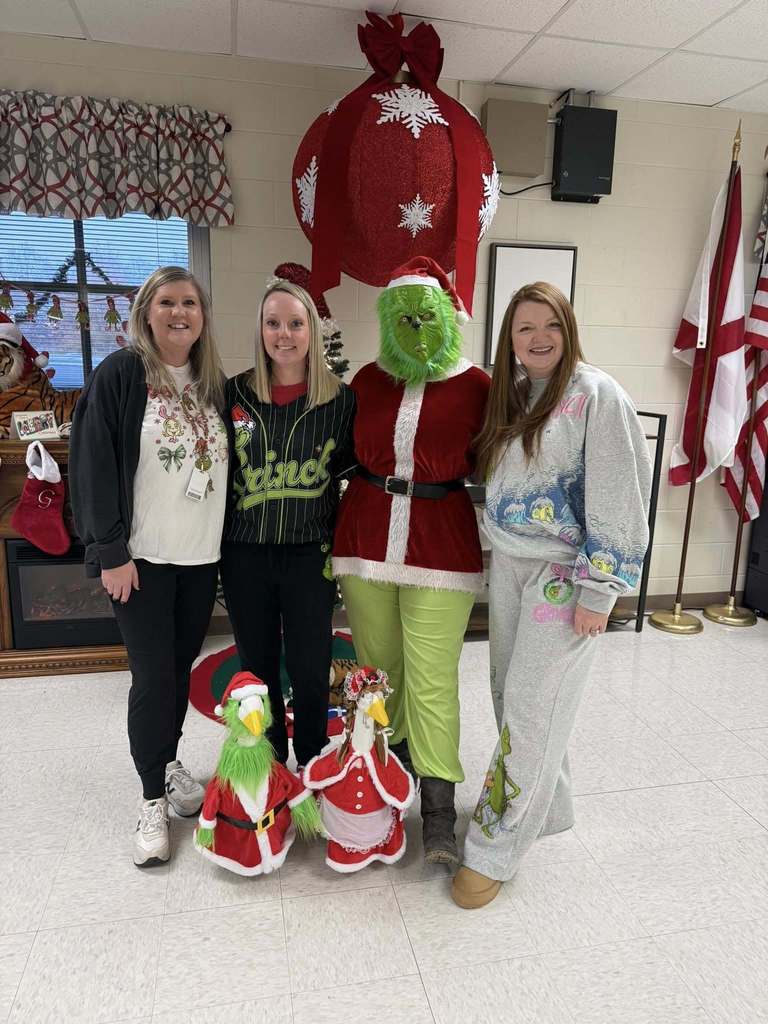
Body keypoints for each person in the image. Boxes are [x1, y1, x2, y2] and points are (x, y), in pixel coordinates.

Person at [451, 281, 652, 909]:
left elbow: (621, 495)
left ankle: (494, 847)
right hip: (511, 564)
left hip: (564, 577)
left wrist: (601, 589)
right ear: (508, 340)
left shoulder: (598, 395)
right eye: (523, 329)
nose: (538, 339)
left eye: (551, 327)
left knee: (533, 707)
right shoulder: (511, 397)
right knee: (513, 693)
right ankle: (551, 805)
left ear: (569, 330)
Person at [332, 256, 490, 865]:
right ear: (387, 319)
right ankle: (380, 789)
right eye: (405, 317)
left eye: (428, 316)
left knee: (431, 679)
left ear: (448, 318)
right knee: (376, 672)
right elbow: (336, 456)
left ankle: (440, 816)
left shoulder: (478, 386)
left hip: (441, 548)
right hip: (366, 541)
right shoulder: (368, 381)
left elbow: (501, 466)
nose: (417, 327)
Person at [69, 266, 229, 868]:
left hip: (199, 558)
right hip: (141, 561)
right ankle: (149, 798)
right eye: (167, 302)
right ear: (146, 311)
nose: (180, 312)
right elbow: (92, 463)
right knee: (153, 676)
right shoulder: (121, 375)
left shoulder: (211, 383)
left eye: (190, 302)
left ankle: (168, 764)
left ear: (203, 315)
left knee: (176, 671)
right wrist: (110, 551)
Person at [219, 279, 355, 775]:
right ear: (260, 329)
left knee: (309, 665)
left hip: (308, 554)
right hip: (244, 554)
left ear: (311, 331)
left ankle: (315, 761)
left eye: (296, 323)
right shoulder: (233, 394)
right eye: (273, 323)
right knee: (256, 665)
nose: (284, 334)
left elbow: (353, 474)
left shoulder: (340, 401)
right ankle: (272, 764)